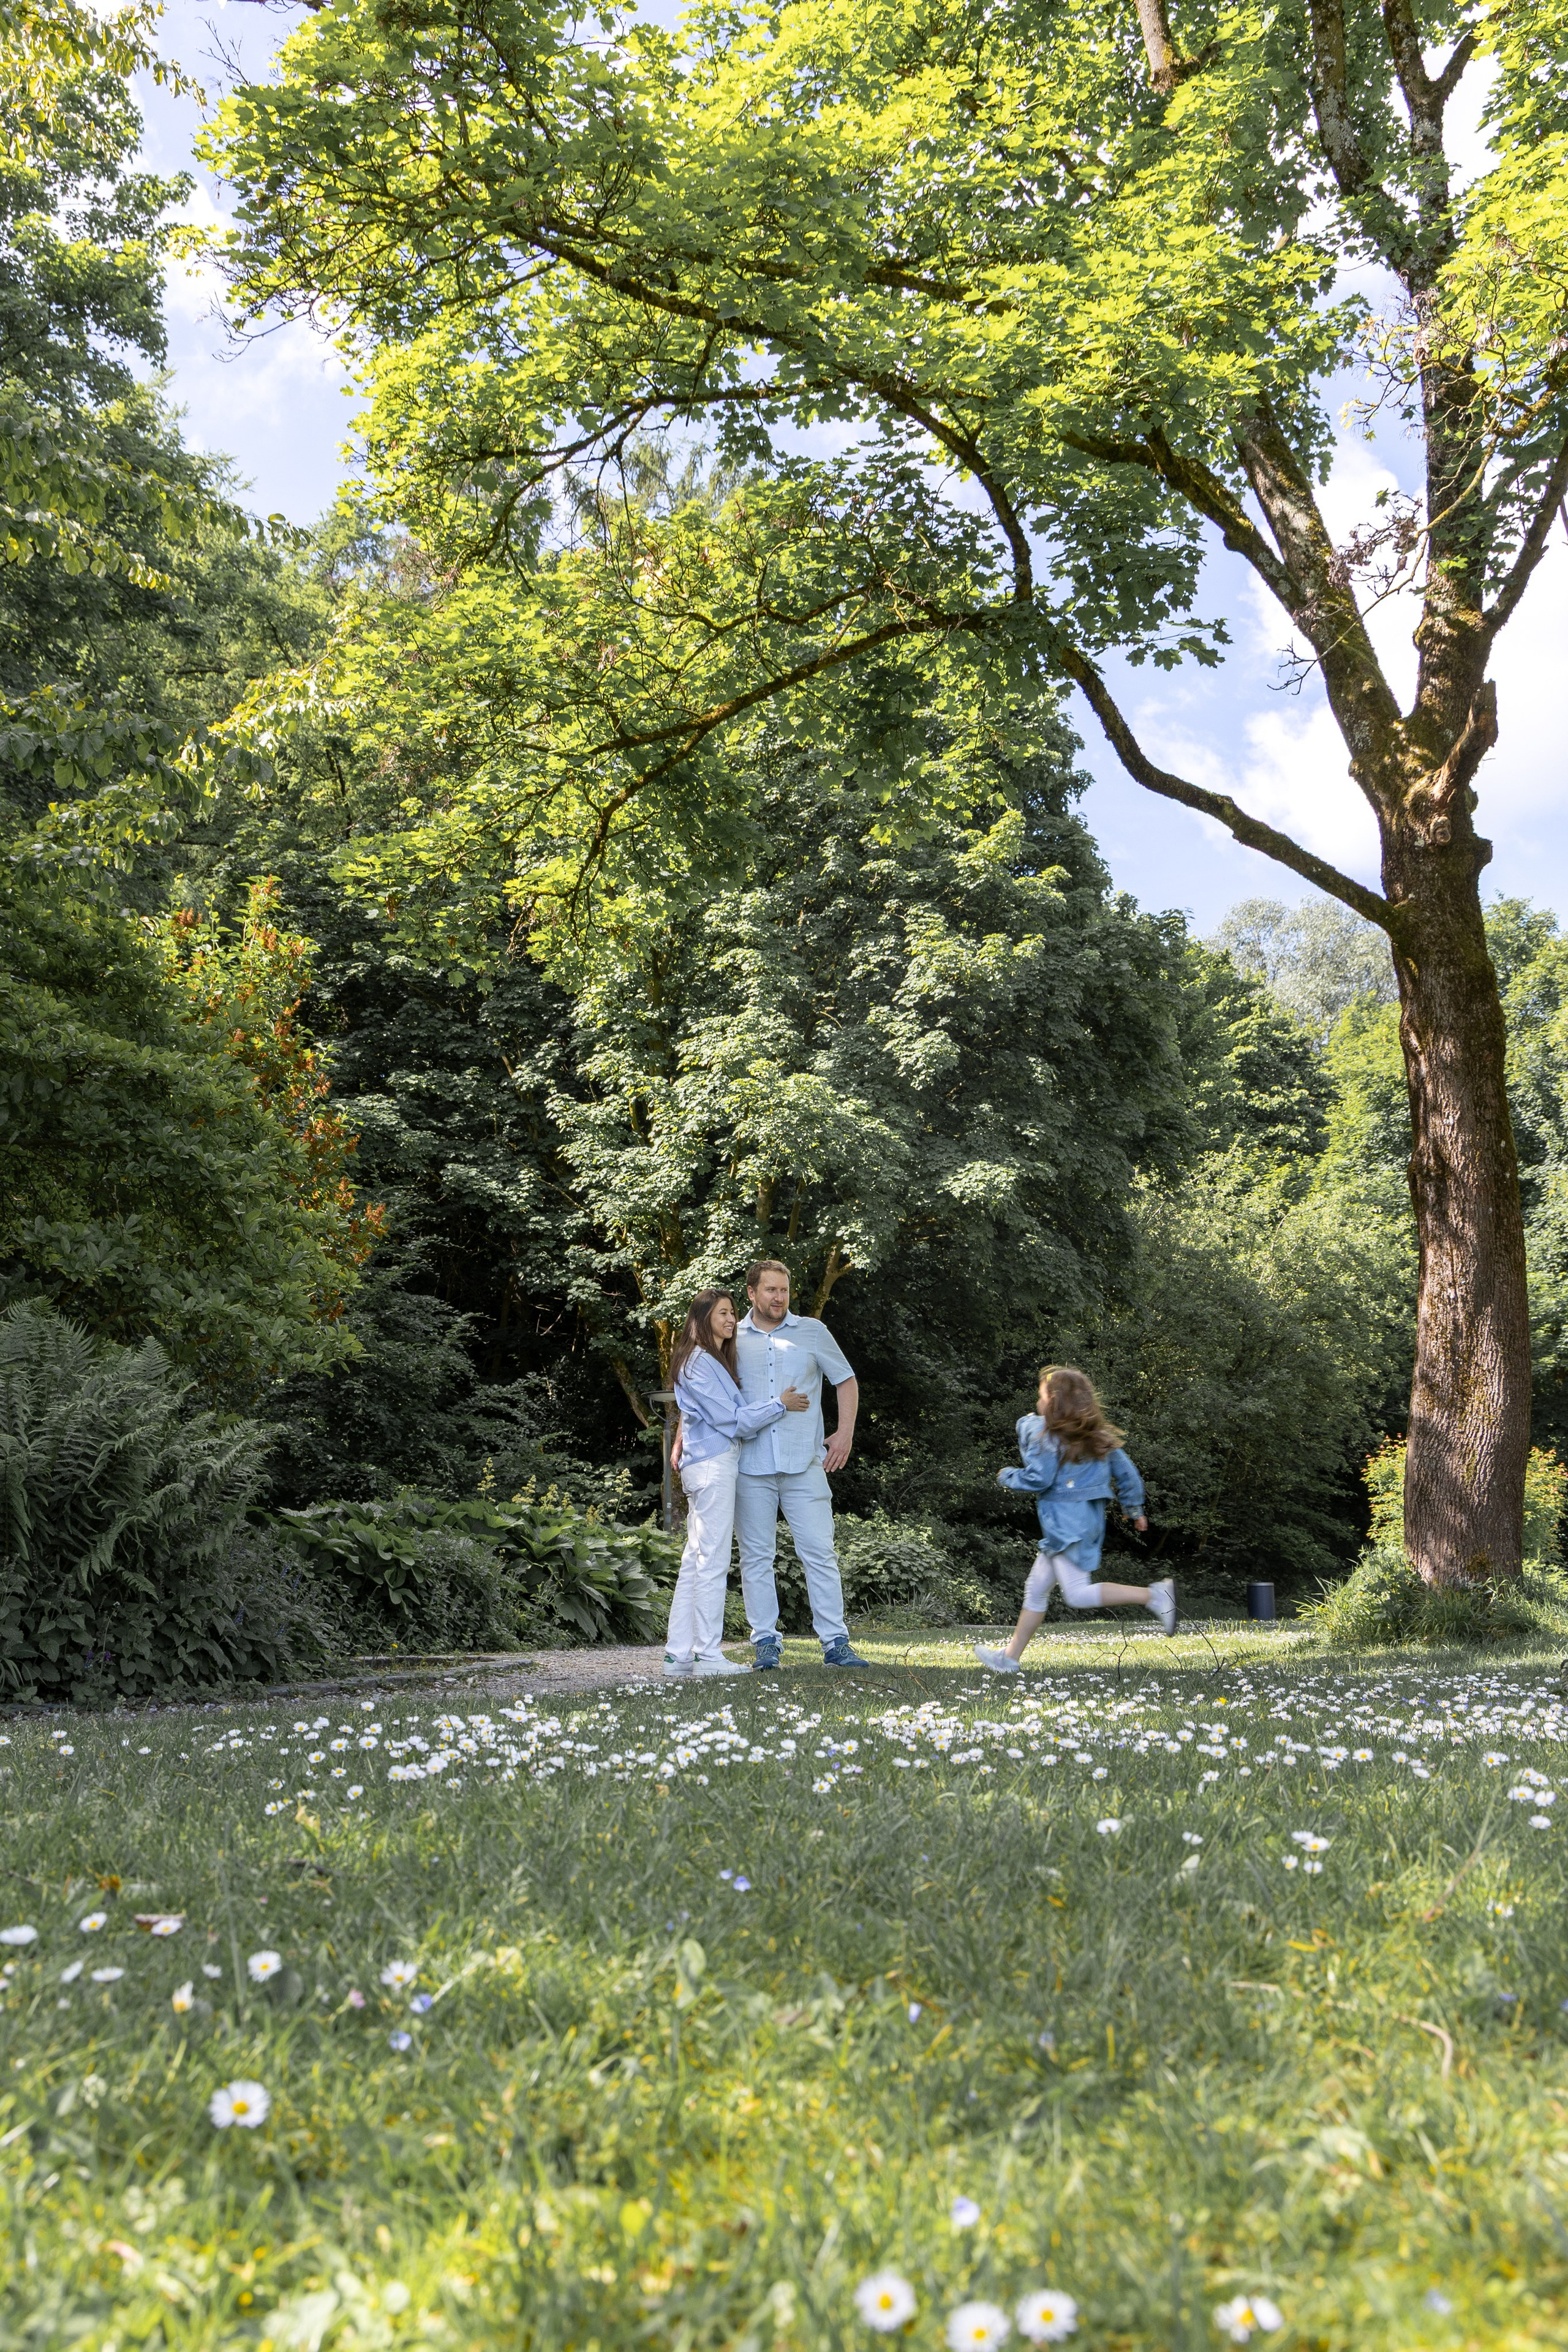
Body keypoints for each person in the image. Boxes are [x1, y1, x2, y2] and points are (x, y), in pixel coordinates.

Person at [975, 1365, 1176, 1675]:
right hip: (1081, 1524)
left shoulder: (1048, 1438)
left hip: (1066, 1527)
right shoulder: (1097, 1438)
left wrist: (1008, 1476)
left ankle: (1154, 1596)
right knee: (1036, 1589)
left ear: (1055, 1402)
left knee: (1078, 1594)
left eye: (1042, 1397)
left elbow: (1039, 1479)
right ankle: (1009, 1658)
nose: (1038, 1403)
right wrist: (1134, 1509)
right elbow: (1128, 1474)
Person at [663, 1289, 809, 1679]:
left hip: (710, 1465)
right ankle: (707, 1655)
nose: (731, 1320)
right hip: (712, 1466)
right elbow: (734, 1420)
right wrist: (780, 1405)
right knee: (711, 1560)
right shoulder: (698, 1362)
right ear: (703, 1318)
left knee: (696, 1559)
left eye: (732, 1313)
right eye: (723, 1313)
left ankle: (679, 1656)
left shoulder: (709, 1360)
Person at [732, 1258, 870, 1670]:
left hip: (805, 1463)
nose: (779, 1297)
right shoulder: (731, 1337)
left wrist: (845, 1433)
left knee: (820, 1553)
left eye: (784, 1290)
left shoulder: (812, 1331)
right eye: (770, 1290)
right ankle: (765, 1644)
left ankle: (836, 1643)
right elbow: (708, 1388)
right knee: (756, 1558)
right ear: (752, 1293)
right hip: (750, 1464)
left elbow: (846, 1379)